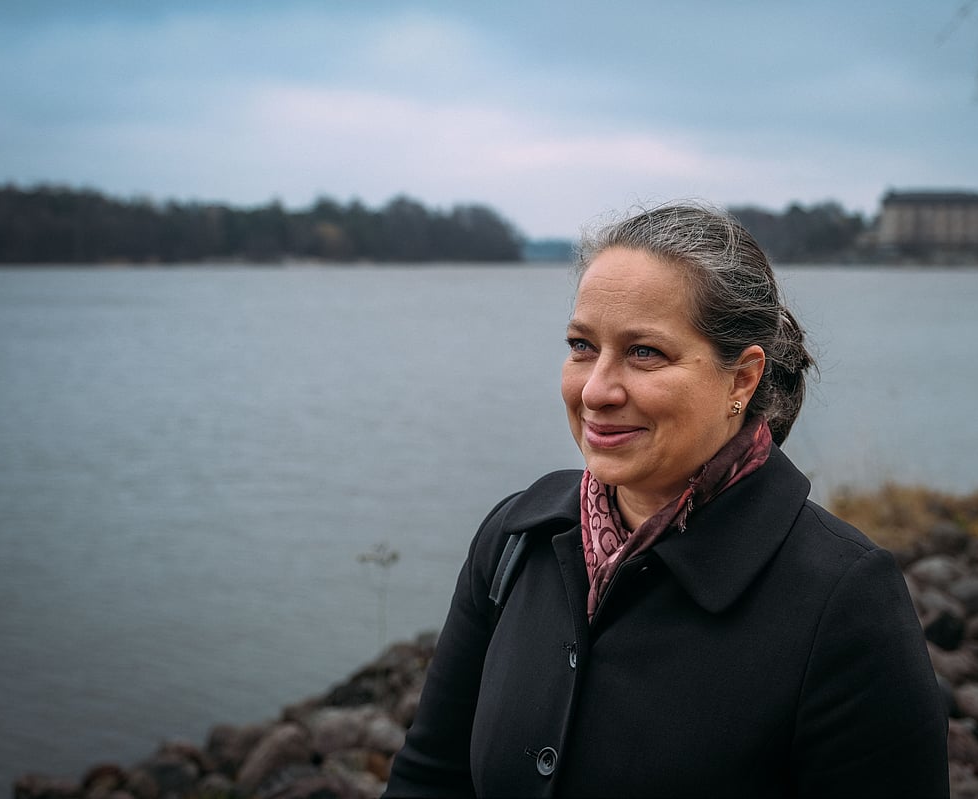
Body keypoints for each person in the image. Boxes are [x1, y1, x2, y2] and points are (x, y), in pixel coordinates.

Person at [384, 203, 949, 798]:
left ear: (741, 379)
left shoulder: (844, 600)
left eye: (644, 352)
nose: (597, 390)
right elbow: (428, 780)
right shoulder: (514, 539)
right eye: (582, 346)